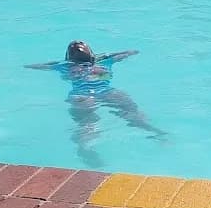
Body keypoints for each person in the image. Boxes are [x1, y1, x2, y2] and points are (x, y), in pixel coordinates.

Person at [26, 41, 164, 168]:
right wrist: (104, 56)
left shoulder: (64, 66)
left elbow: (34, 66)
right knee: (131, 112)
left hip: (83, 95)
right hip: (106, 92)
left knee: (87, 123)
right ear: (92, 55)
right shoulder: (105, 61)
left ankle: (84, 148)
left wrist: (60, 63)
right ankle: (156, 132)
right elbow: (131, 52)